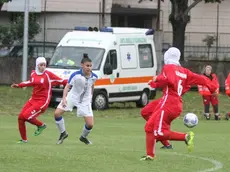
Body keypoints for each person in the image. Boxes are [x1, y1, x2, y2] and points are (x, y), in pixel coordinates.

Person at [140, 47, 218, 161]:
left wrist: (157, 78)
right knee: (149, 127)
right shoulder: (184, 71)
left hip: (168, 103)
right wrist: (213, 87)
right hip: (175, 103)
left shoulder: (168, 67)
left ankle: (186, 137)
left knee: (159, 132)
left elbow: (169, 80)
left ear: (167, 56)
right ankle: (150, 156)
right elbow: (201, 79)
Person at [11, 57, 67, 143]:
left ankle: (41, 125)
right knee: (21, 118)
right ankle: (24, 140)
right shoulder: (33, 73)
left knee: (26, 116)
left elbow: (62, 80)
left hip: (43, 101)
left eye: (44, 65)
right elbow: (30, 82)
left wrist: (73, 81)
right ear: (37, 65)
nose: (43, 67)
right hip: (33, 99)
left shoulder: (48, 75)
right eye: (41, 65)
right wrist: (19, 85)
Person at [54, 54, 98, 145]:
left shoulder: (94, 76)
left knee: (90, 124)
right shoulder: (75, 75)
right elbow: (67, 87)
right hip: (72, 97)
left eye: (90, 66)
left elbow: (92, 86)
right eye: (87, 66)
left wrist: (91, 97)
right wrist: (64, 99)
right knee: (57, 114)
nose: (89, 68)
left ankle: (83, 137)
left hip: (85, 101)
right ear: (82, 65)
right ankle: (63, 133)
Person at [141, 80, 191, 149]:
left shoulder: (177, 75)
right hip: (165, 99)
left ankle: (167, 143)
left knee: (155, 126)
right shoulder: (174, 73)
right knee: (145, 112)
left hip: (169, 101)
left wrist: (155, 81)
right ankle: (157, 130)